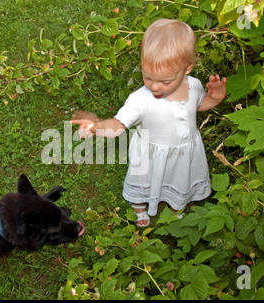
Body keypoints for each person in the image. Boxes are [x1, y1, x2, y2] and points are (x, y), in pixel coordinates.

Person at [70, 18, 227, 227]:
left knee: (180, 179)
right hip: (150, 155)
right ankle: (140, 208)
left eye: (165, 81)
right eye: (148, 77)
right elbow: (118, 125)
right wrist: (97, 126)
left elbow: (198, 105)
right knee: (142, 182)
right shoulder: (140, 100)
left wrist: (215, 98)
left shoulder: (195, 86)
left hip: (184, 152)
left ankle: (174, 207)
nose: (155, 87)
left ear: (188, 68)